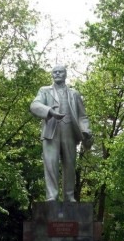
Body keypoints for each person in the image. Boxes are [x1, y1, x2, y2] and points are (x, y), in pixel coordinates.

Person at [29, 65, 93, 202]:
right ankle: (52, 196)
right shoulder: (45, 90)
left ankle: (69, 196)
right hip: (51, 132)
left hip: (69, 131)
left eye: (60, 72)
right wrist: (49, 111)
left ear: (65, 74)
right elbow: (34, 105)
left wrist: (86, 130)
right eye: (55, 72)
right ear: (52, 75)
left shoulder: (74, 94)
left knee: (70, 165)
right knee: (51, 164)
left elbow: (82, 116)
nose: (57, 74)